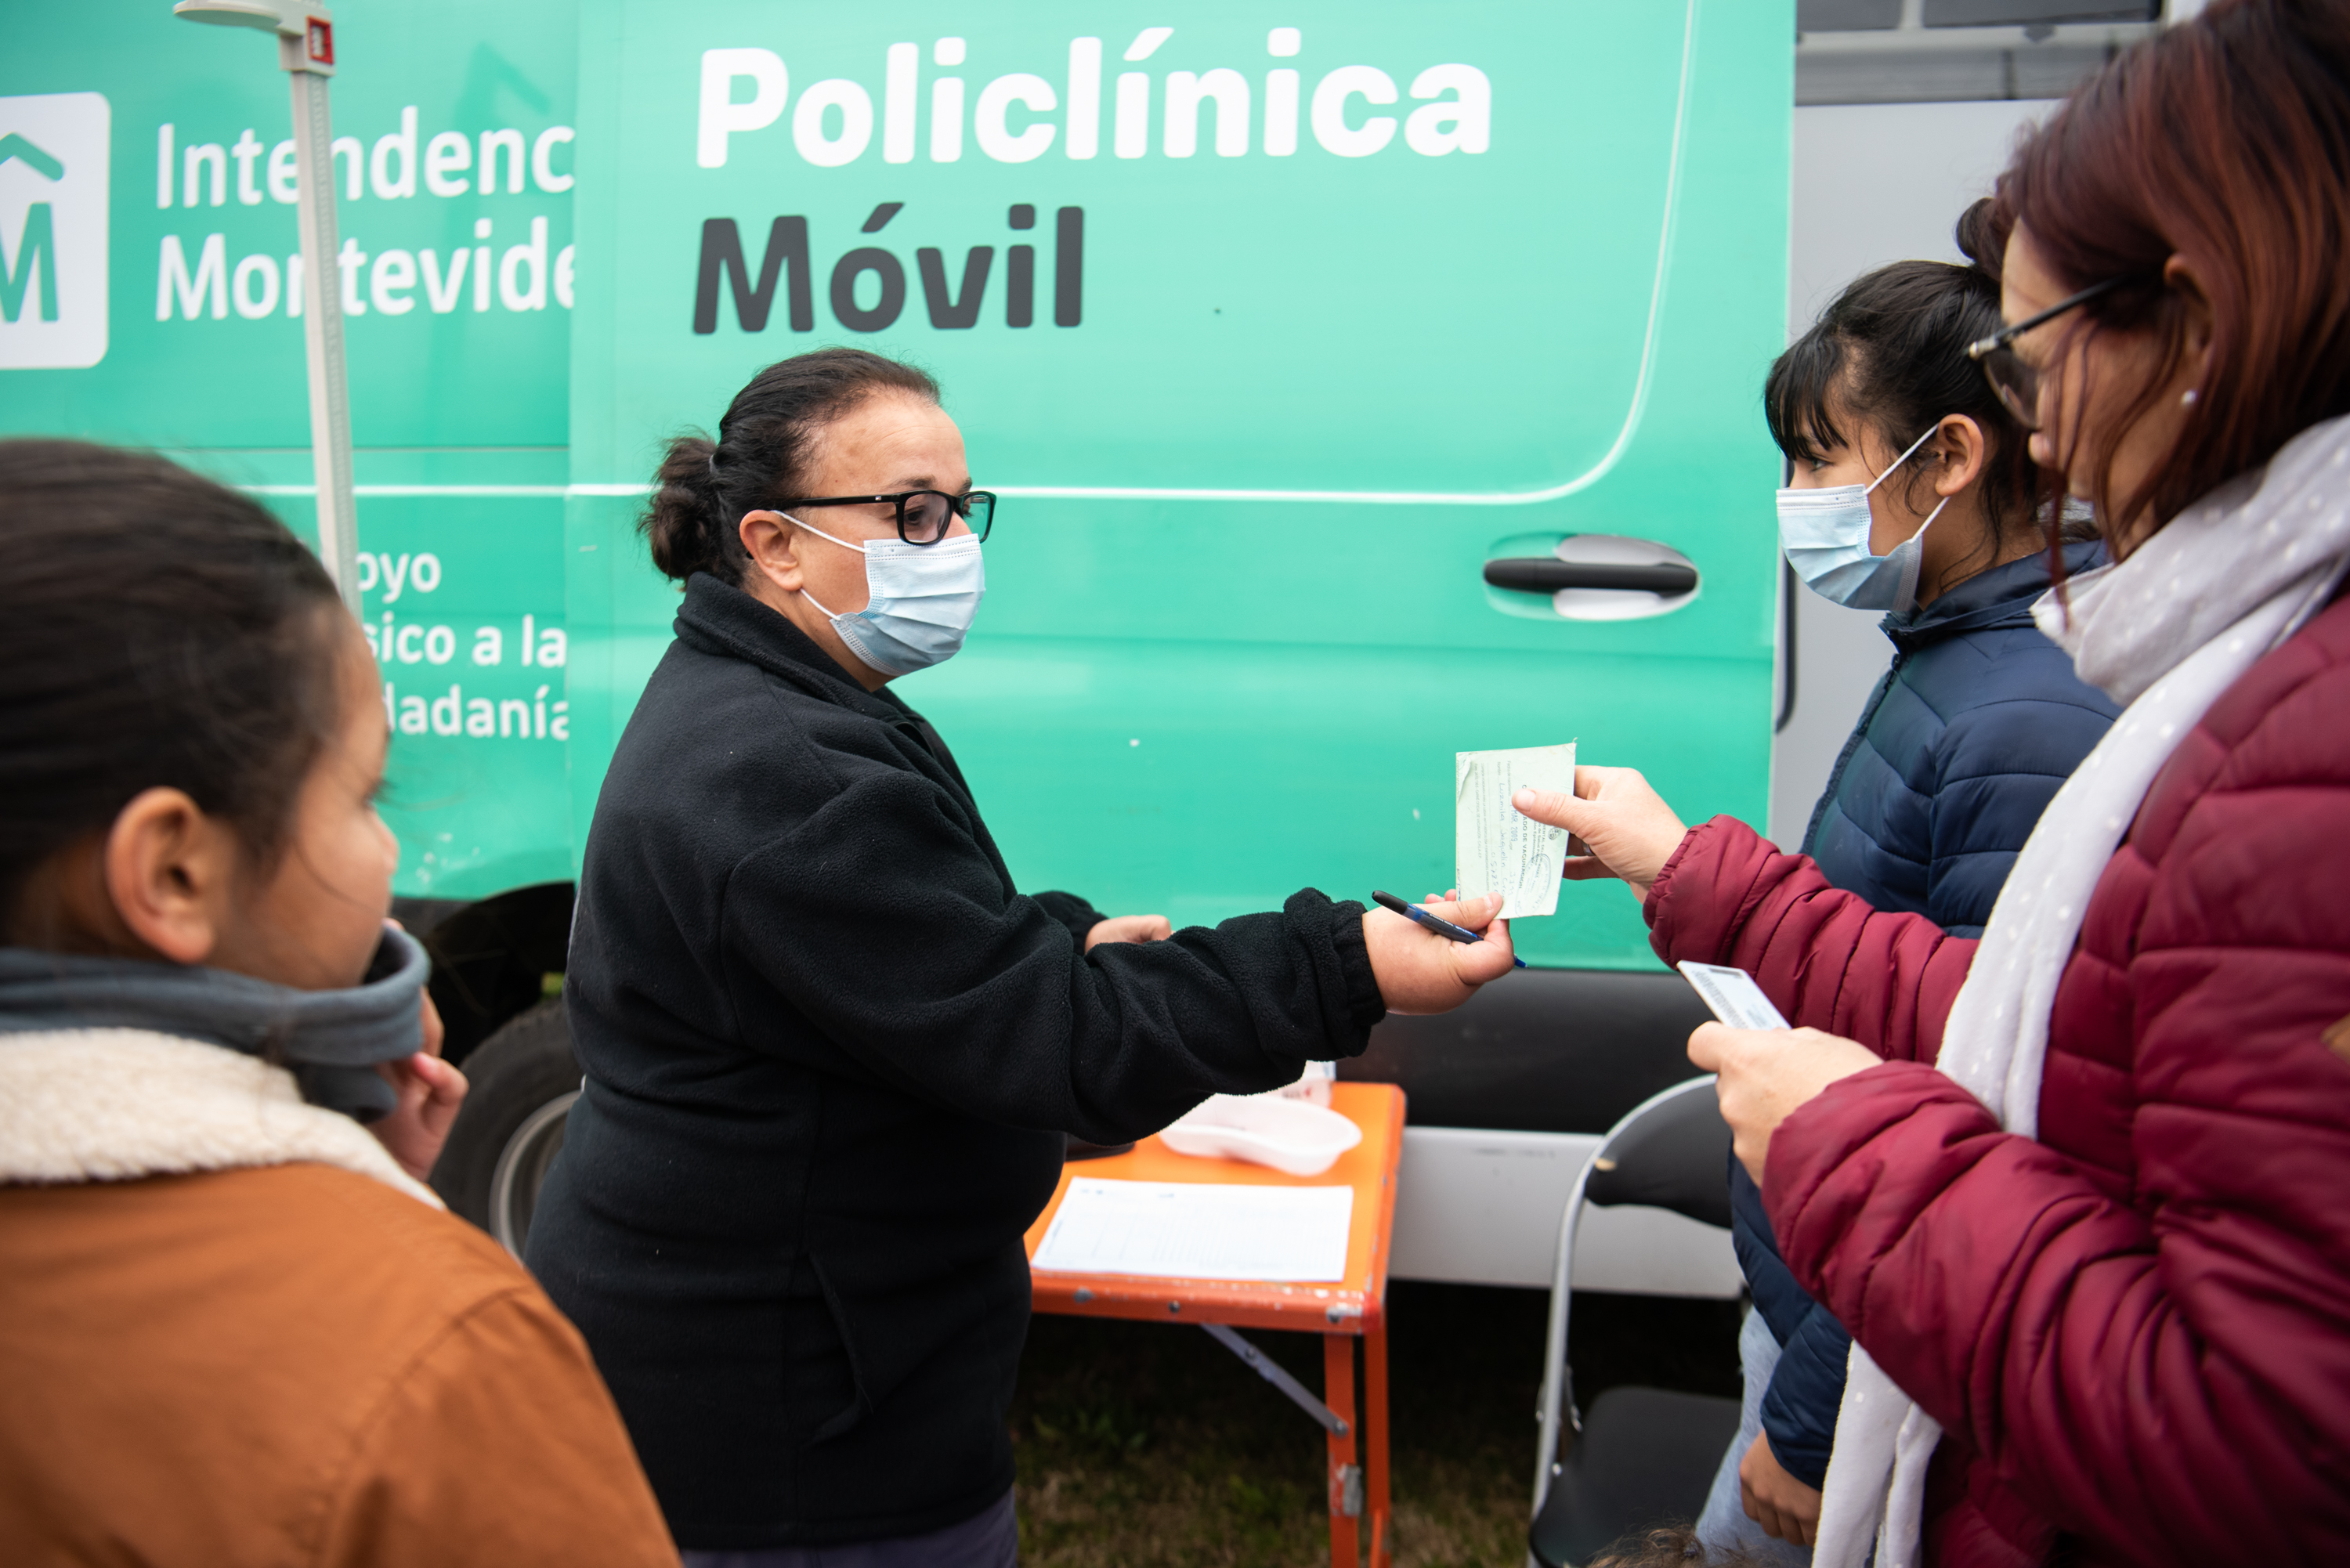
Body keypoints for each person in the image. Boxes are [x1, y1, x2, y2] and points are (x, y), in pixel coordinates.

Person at [1516, 2, 2350, 1563]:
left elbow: (2261, 1422)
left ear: (2192, 320)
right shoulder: (2056, 663)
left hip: (1909, 1359)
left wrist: (1850, 1167)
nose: (2046, 419)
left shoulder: (2155, 721)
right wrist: (1699, 872)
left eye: (2040, 351)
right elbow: (2008, 1004)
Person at [526, 348, 1516, 1561]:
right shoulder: (786, 774)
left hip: (783, 1378)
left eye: (958, 505)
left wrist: (1053, 939)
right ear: (775, 544)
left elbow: (885, 963)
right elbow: (1064, 1043)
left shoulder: (772, 698)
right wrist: (1346, 965)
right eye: (912, 512)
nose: (951, 544)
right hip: (787, 1441)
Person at [0, 443, 675, 1564]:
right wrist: (358, 1226)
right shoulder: (437, 1354)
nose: (388, 845)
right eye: (364, 794)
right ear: (173, 870)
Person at [1701, 240, 2120, 1563]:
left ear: (1947, 455)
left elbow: (1991, 1112)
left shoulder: (2027, 715)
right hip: (1831, 1289)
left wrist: (1814, 1417)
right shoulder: (1958, 648)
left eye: (1823, 458)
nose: (1797, 501)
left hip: (1871, 1352)